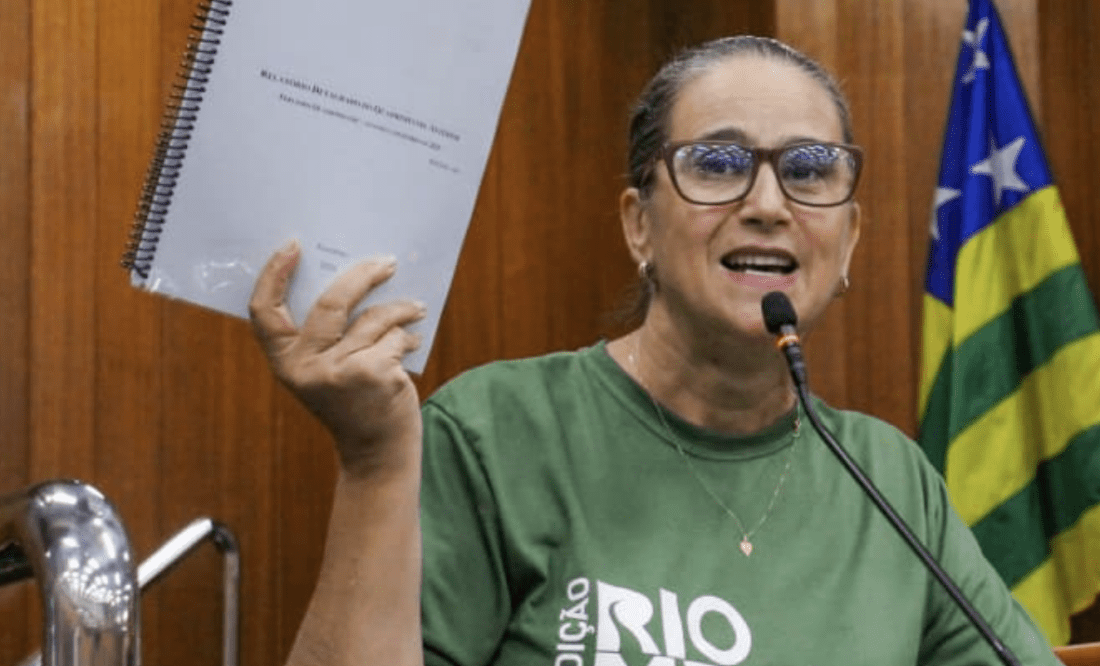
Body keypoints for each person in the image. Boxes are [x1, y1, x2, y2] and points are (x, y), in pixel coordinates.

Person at [249, 36, 1060, 666]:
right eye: (718, 164)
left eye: (811, 171)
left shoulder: (891, 481)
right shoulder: (495, 432)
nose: (768, 203)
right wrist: (374, 461)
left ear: (848, 240)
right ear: (639, 225)